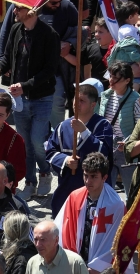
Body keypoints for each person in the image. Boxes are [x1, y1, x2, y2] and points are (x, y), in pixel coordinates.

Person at [0, 4, 59, 198]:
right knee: (25, 143)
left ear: (32, 10)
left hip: (42, 97)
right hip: (19, 98)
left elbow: (50, 70)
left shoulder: (49, 34)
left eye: (19, 9)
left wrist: (26, 85)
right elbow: (7, 56)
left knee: (37, 140)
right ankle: (30, 181)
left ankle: (45, 172)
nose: (14, 12)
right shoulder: (16, 29)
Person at [54, 152, 124, 274]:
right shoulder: (75, 197)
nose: (88, 181)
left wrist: (99, 267)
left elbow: (115, 241)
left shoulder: (116, 205)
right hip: (76, 265)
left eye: (93, 177)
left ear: (104, 177)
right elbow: (62, 228)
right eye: (85, 175)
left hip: (100, 272)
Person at [46, 85, 114, 215]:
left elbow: (104, 153)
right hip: (67, 189)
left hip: (93, 192)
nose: (76, 104)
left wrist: (84, 132)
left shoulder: (102, 125)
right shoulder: (63, 126)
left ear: (93, 104)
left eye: (82, 101)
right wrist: (66, 160)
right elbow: (50, 151)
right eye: (75, 100)